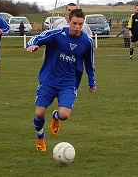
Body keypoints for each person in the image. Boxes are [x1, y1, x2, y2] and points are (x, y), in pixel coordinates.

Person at [26, 9, 96, 152]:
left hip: (69, 83)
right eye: (75, 23)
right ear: (68, 21)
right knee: (39, 114)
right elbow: (38, 37)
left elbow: (89, 63)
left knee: (64, 115)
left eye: (80, 24)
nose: (77, 27)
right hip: (49, 81)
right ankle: (40, 138)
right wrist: (32, 45)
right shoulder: (57, 34)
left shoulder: (86, 42)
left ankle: (55, 116)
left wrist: (92, 81)